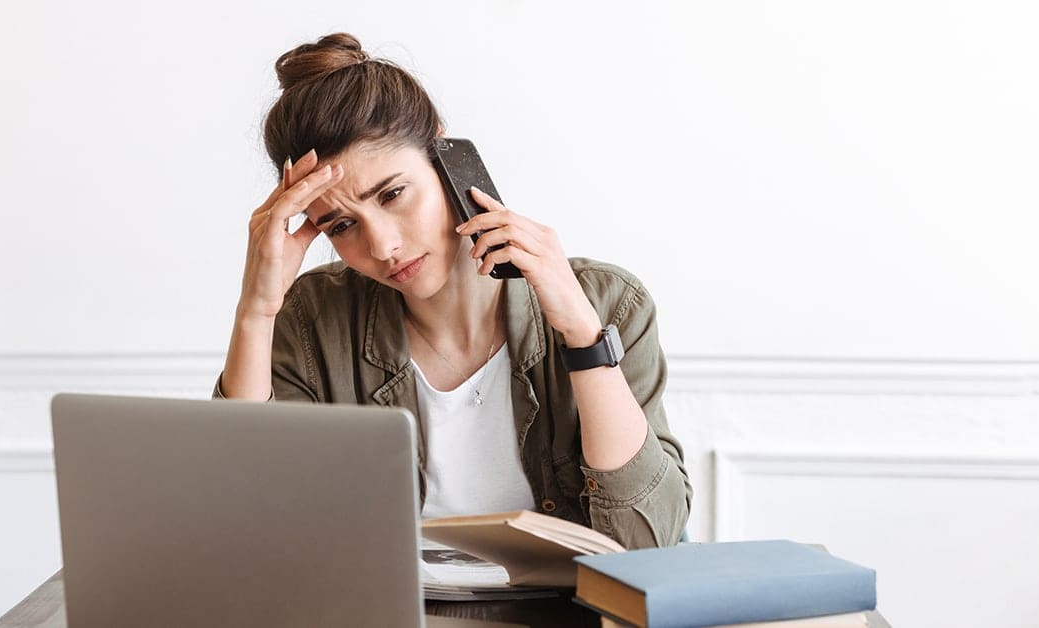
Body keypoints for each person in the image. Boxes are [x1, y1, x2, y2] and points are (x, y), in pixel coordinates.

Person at [214, 33, 690, 549]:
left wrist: (583, 335)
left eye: (392, 194)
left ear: (445, 155)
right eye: (340, 226)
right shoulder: (312, 317)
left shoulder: (607, 301)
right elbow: (251, 527)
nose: (384, 245)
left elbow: (648, 542)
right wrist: (257, 312)